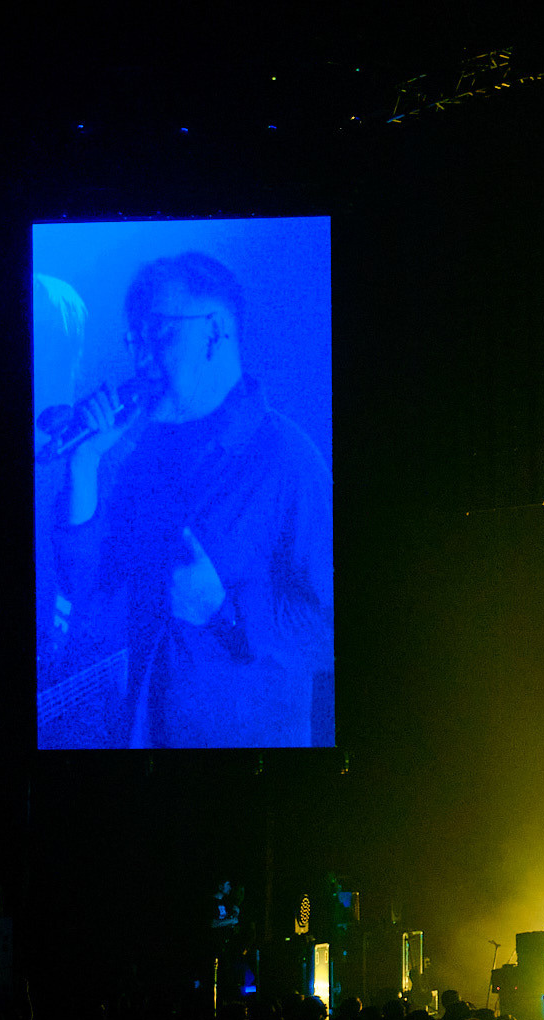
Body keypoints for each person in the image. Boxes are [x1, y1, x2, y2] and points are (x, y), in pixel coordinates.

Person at [48, 251, 333, 748]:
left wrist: (223, 609)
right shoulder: (139, 459)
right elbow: (90, 593)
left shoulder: (288, 459)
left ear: (216, 331)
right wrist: (85, 463)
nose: (139, 359)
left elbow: (331, 626)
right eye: (135, 339)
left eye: (158, 333)